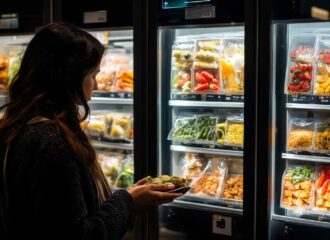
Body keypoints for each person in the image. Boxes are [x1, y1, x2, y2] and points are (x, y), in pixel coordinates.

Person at [0, 22, 182, 240]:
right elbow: (78, 235)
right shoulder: (50, 141)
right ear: (68, 77)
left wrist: (127, 195)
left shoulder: (18, 124)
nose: (95, 86)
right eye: (92, 75)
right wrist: (129, 202)